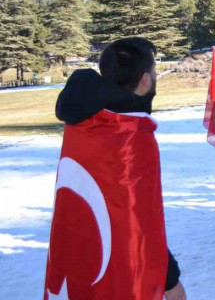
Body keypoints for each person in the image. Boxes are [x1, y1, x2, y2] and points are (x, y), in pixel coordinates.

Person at [54, 38, 185, 299]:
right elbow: (139, 219)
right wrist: (170, 280)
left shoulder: (84, 121)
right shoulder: (130, 135)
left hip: (79, 261)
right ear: (145, 79)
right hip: (122, 271)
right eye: (155, 72)